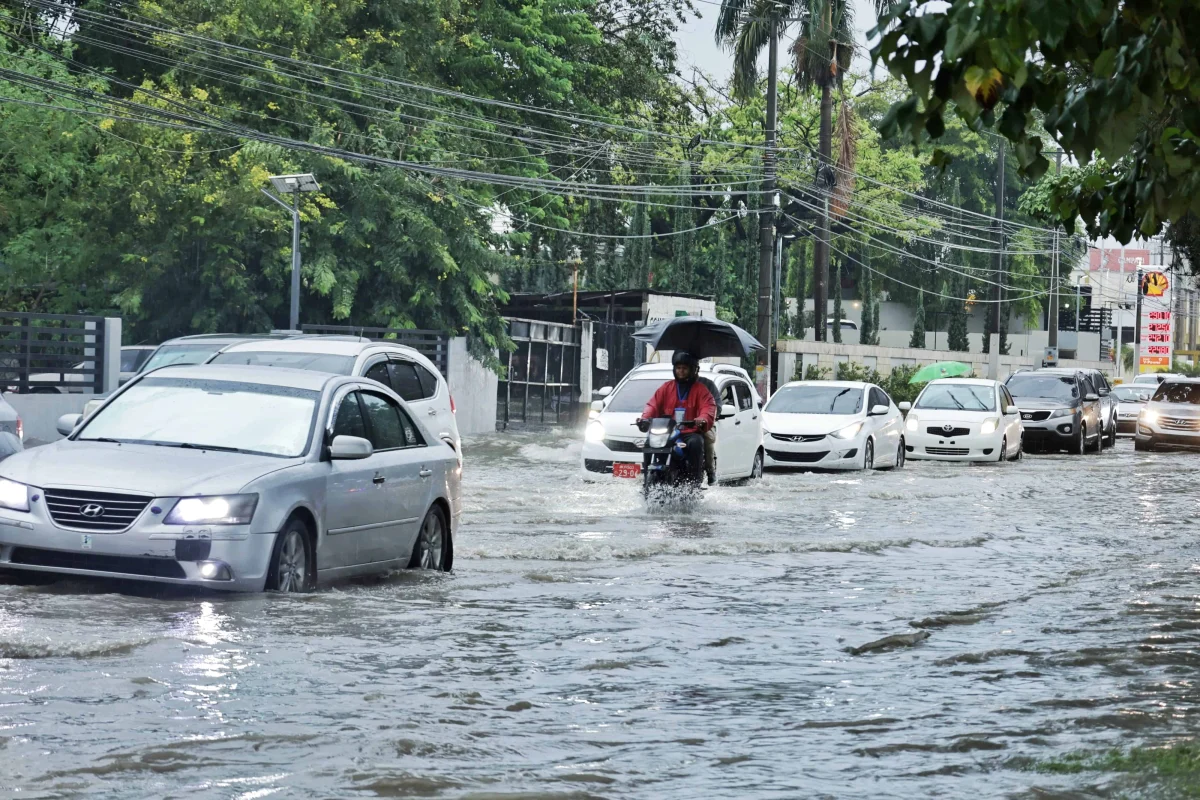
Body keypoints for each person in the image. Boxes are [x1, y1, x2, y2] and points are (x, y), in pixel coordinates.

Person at [636, 351, 716, 486]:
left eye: (684, 368)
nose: (681, 371)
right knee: (648, 443)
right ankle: (646, 480)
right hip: (669, 431)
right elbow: (652, 405)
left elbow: (708, 407)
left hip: (690, 432)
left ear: (693, 370)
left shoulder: (701, 389)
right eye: (678, 368)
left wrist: (702, 418)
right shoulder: (666, 387)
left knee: (696, 443)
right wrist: (645, 418)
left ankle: (694, 482)